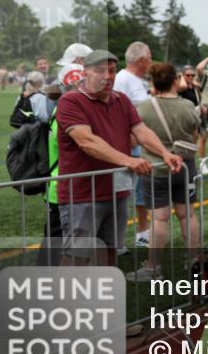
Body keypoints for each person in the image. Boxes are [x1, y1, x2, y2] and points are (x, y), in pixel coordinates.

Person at [56, 50, 182, 268]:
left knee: (111, 252)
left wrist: (164, 152)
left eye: (112, 71)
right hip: (82, 194)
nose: (107, 76)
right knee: (78, 257)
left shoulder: (121, 100)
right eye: (100, 70)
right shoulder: (71, 101)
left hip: (117, 192)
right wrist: (129, 160)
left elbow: (141, 131)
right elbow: (87, 141)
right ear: (86, 73)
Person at [130, 62, 202, 281]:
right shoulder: (188, 106)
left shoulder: (143, 108)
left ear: (153, 82)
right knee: (188, 215)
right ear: (175, 81)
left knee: (159, 220)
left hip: (155, 169)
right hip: (185, 167)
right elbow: (194, 135)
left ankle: (153, 268)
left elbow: (135, 139)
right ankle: (194, 262)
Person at [36, 63, 85, 266]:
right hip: (62, 186)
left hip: (62, 185)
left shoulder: (62, 108)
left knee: (57, 240)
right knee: (58, 243)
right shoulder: (67, 112)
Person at [114, 41, 153, 247]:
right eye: (150, 57)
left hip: (139, 147)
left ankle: (142, 232)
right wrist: (127, 140)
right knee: (120, 195)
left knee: (140, 192)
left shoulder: (137, 81)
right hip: (126, 149)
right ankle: (116, 241)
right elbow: (115, 115)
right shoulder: (122, 80)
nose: (151, 61)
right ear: (141, 60)